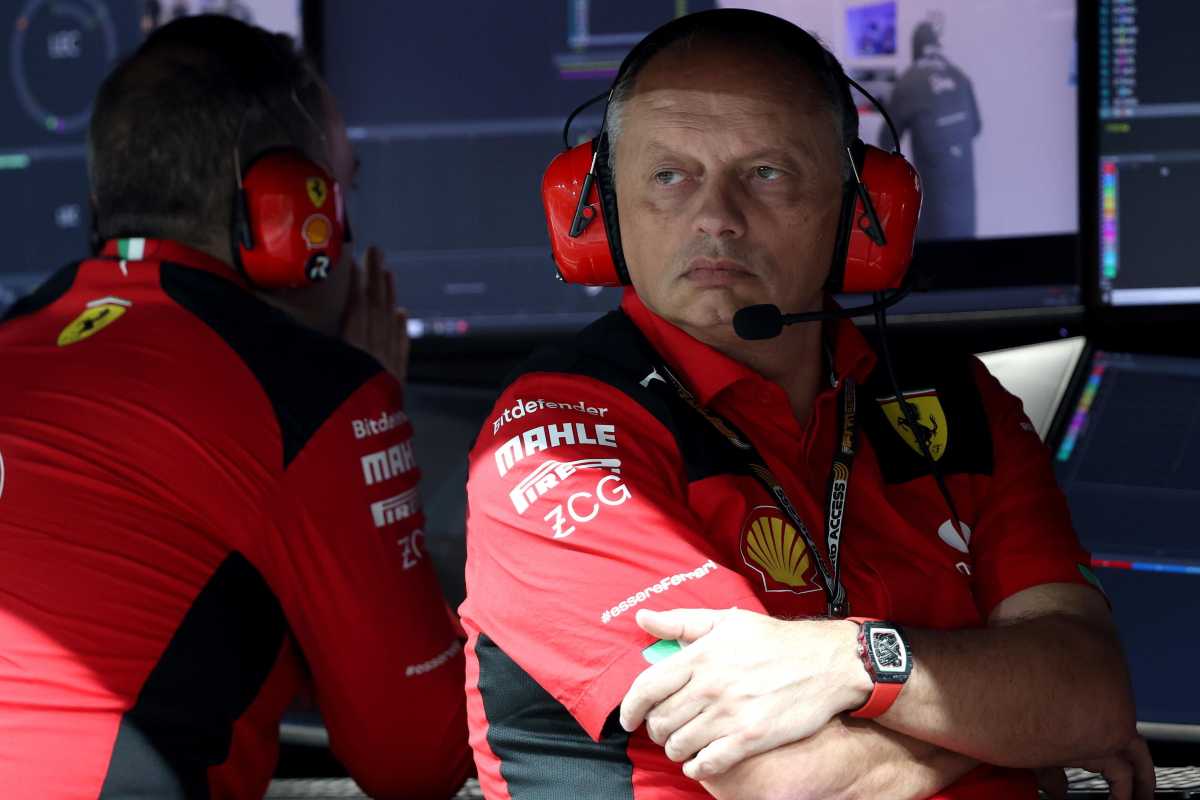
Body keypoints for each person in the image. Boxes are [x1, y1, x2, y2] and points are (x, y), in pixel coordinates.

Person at [461, 10, 1150, 800]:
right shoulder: (558, 438)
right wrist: (1011, 730)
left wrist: (846, 661)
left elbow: (1092, 690)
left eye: (766, 172)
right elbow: (785, 779)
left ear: (861, 209)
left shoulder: (958, 401)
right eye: (669, 175)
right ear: (601, 206)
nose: (716, 217)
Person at [0, 16, 470, 800]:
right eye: (341, 195)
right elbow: (421, 758)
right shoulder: (308, 395)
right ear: (288, 210)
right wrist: (360, 411)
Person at [883, 19, 982, 240]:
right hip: (966, 213)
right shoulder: (960, 77)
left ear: (915, 49)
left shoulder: (907, 83)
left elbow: (885, 142)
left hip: (933, 217)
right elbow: (976, 127)